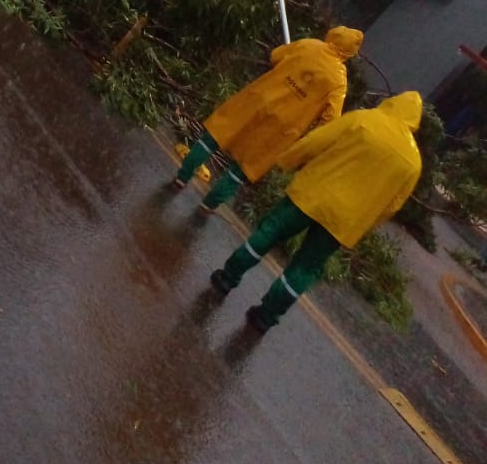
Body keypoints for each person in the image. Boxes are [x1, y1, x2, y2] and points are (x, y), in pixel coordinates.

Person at [210, 91, 423, 332]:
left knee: (271, 231)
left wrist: (286, 160)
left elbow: (318, 140)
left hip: (312, 194)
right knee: (307, 266)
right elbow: (392, 206)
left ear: (393, 103)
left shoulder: (365, 119)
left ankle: (227, 278)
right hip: (344, 222)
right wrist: (362, 224)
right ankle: (265, 317)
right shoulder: (413, 163)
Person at [173, 27, 363, 209]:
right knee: (245, 167)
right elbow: (330, 119)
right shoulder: (339, 82)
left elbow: (275, 56)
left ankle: (182, 177)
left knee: (216, 136)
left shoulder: (308, 44)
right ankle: (209, 204)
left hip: (258, 100)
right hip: (283, 126)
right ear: (349, 54)